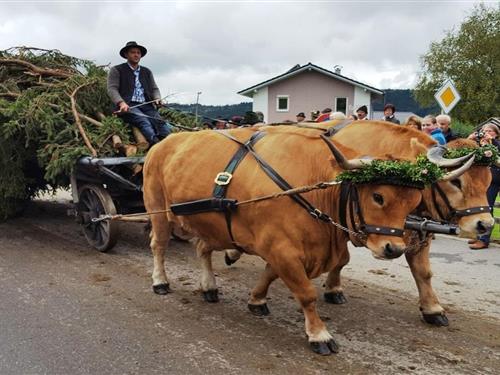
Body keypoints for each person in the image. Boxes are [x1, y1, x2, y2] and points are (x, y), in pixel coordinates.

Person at [107, 41, 171, 145]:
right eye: (133, 52)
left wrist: (157, 98)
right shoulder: (117, 70)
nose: (136, 55)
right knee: (144, 121)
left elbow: (154, 89)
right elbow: (112, 89)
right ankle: (156, 145)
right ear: (126, 55)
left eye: (138, 53)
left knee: (160, 122)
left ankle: (169, 143)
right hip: (129, 106)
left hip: (147, 105)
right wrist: (121, 103)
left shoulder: (147, 71)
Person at [467, 123, 500, 250]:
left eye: (490, 131)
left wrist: (492, 141)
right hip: (482, 179)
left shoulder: (496, 143)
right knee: (480, 207)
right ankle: (479, 236)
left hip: (494, 180)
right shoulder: (479, 143)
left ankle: (484, 240)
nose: (486, 133)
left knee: (488, 208)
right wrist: (470, 140)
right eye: (484, 131)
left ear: (496, 134)